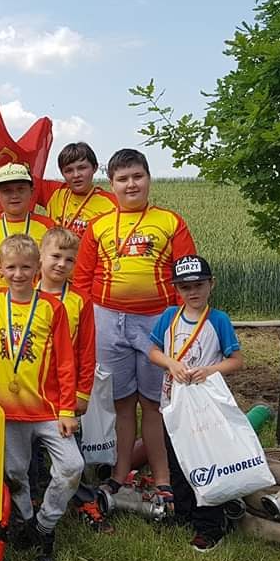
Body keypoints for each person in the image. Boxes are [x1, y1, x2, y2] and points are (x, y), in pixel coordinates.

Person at [0, 235, 82, 561]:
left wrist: (67, 409)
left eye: (25, 267)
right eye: (11, 267)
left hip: (49, 409)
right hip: (9, 410)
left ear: (37, 268)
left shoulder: (52, 308)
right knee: (14, 472)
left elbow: (66, 362)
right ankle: (24, 521)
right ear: (0, 269)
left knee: (72, 466)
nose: (19, 274)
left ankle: (45, 523)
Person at [73, 149, 196, 499]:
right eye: (122, 179)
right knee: (122, 403)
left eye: (137, 176)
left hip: (157, 322)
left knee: (154, 404)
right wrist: (86, 323)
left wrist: (181, 324)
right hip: (108, 321)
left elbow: (186, 278)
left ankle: (162, 477)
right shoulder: (98, 226)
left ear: (149, 179)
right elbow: (81, 280)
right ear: (111, 184)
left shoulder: (170, 221)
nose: (131, 184)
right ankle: (120, 473)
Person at [148, 255, 243, 552]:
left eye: (199, 285)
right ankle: (184, 512)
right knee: (177, 462)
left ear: (211, 284)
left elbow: (236, 360)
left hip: (205, 408)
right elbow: (152, 351)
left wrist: (210, 370)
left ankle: (210, 525)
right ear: (176, 289)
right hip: (173, 404)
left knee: (206, 462)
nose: (193, 292)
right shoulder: (169, 317)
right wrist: (170, 363)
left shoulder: (218, 320)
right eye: (185, 287)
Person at [36, 228, 108, 533]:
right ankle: (31, 503)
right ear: (40, 256)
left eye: (69, 260)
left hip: (65, 394)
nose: (61, 264)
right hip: (30, 391)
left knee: (72, 450)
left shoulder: (80, 300)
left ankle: (84, 501)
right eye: (55, 256)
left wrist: (82, 393)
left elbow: (86, 351)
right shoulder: (23, 294)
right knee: (28, 457)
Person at [0, 163, 55, 298]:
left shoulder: (47, 226)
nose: (15, 195)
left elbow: (53, 269)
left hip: (35, 303)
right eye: (7, 191)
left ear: (31, 191)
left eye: (21, 189)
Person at [35, 142, 117, 237]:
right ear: (62, 173)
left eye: (82, 168)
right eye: (69, 170)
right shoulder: (53, 192)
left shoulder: (113, 204)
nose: (76, 175)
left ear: (94, 168)